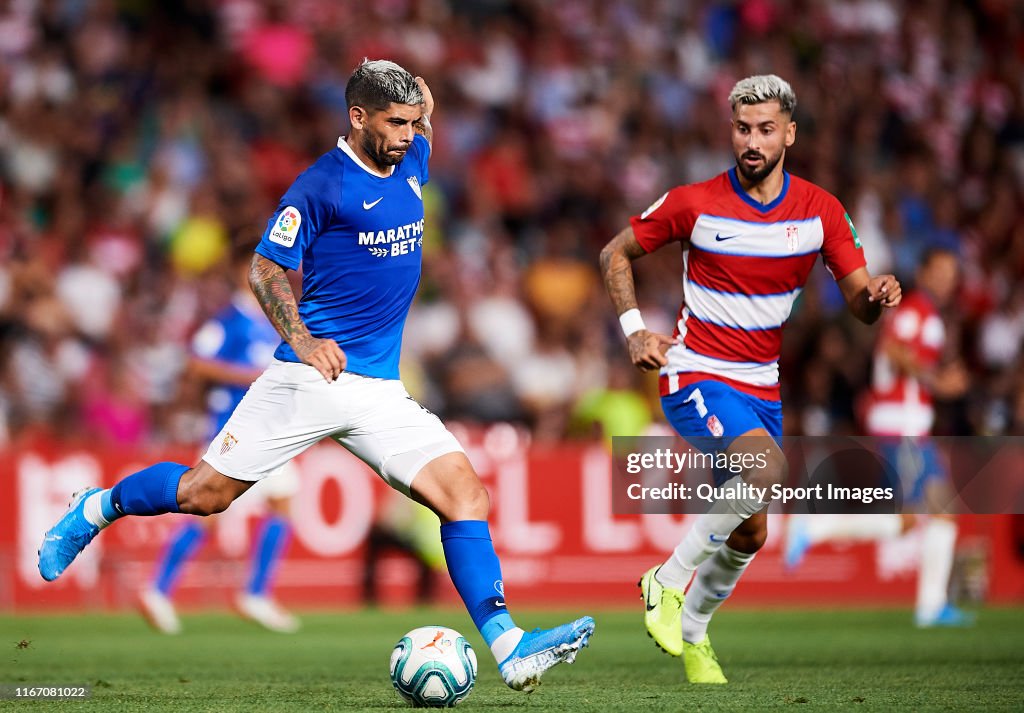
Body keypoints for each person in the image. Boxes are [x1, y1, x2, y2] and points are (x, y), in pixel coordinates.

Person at [38, 59, 593, 693]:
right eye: (395, 123)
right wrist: (300, 340)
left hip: (380, 390)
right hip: (310, 380)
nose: (409, 134)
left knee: (466, 495)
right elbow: (265, 270)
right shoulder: (319, 186)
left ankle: (510, 645)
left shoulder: (411, 156)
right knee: (202, 496)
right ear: (356, 119)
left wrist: (406, 90)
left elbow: (427, 108)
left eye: (415, 123)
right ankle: (96, 508)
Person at [599, 74, 901, 684]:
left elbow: (858, 303)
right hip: (696, 372)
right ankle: (665, 580)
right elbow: (615, 254)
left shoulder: (821, 212)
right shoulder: (694, 202)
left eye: (765, 129)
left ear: (790, 133)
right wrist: (634, 331)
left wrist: (877, 296)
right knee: (766, 471)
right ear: (730, 131)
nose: (752, 141)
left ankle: (695, 634)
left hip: (762, 385)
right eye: (743, 128)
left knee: (753, 530)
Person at [785, 247, 973, 627]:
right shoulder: (916, 309)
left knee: (943, 513)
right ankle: (815, 526)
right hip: (901, 426)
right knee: (908, 518)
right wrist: (936, 381)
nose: (946, 280)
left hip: (912, 427)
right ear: (923, 272)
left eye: (951, 273)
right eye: (939, 270)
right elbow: (893, 349)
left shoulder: (927, 313)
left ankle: (932, 606)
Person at [139, 247, 301, 634]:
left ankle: (165, 590)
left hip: (263, 428)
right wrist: (247, 376)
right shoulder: (231, 320)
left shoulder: (266, 322)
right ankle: (246, 593)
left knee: (266, 505)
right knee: (216, 509)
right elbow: (195, 362)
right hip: (234, 429)